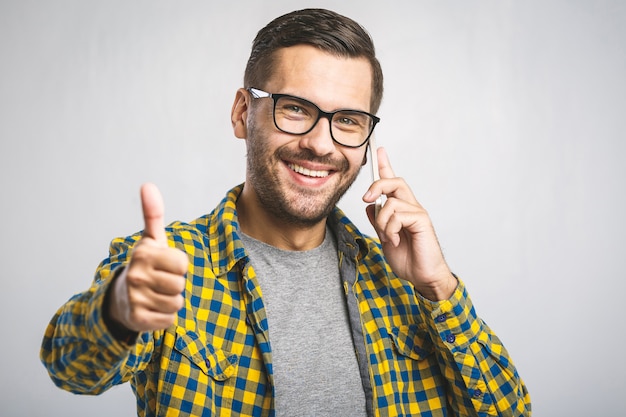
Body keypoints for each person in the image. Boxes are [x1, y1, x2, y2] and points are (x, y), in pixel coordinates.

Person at [40, 8, 531, 417]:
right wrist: (119, 311)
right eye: (295, 108)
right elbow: (70, 367)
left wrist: (438, 288)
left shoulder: (403, 281)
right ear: (242, 113)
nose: (320, 144)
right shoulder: (161, 265)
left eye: (348, 121)